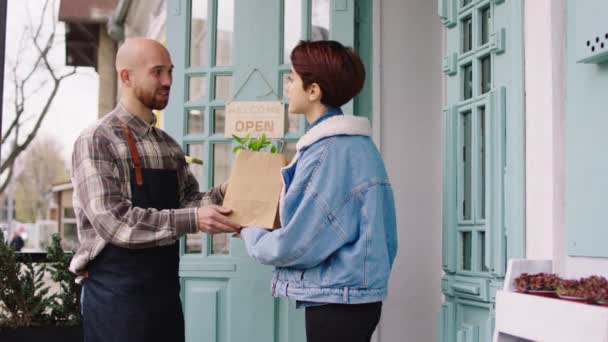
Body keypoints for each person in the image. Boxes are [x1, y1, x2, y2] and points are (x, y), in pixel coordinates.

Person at [69, 38, 241, 342]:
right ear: (126, 76)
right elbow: (115, 222)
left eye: (170, 72)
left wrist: (231, 190)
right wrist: (194, 219)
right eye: (157, 72)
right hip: (116, 301)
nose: (168, 81)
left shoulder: (168, 145)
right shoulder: (97, 140)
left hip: (163, 297)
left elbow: (189, 203)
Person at [240, 40, 398, 342]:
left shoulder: (329, 151)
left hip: (339, 301)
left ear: (313, 91)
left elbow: (298, 243)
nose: (287, 86)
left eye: (292, 79)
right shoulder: (354, 146)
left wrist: (251, 230)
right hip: (351, 297)